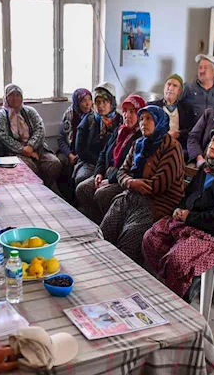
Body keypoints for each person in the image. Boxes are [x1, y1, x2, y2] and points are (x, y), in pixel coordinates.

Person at [143, 127, 214, 303]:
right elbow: (188, 196)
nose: (212, 145)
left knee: (178, 259)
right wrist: (179, 211)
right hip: (196, 225)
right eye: (212, 141)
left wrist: (188, 217)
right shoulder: (207, 168)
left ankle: (180, 296)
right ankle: (178, 283)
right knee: (152, 238)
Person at [101, 106, 185, 263]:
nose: (143, 123)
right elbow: (121, 172)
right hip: (133, 195)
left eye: (149, 119)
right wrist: (131, 182)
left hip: (158, 203)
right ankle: (101, 268)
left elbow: (159, 184)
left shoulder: (171, 147)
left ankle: (124, 276)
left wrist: (135, 184)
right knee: (105, 231)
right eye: (141, 119)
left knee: (129, 241)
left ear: (159, 122)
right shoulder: (138, 144)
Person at [75, 94, 145, 223]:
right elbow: (103, 153)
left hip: (122, 179)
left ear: (140, 115)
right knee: (82, 189)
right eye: (125, 111)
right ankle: (94, 222)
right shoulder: (119, 130)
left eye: (132, 112)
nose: (127, 115)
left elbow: (133, 170)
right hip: (107, 173)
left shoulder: (141, 138)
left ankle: (104, 225)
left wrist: (110, 179)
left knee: (102, 194)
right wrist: (98, 173)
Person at [0, 83, 63, 190]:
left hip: (38, 148)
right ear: (6, 97)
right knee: (28, 167)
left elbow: (40, 129)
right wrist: (23, 150)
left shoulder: (30, 111)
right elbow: (3, 137)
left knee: (54, 163)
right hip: (15, 152)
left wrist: (31, 146)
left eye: (18, 95)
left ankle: (46, 188)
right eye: (11, 95)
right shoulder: (1, 115)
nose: (15, 98)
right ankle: (33, 191)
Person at [74, 83, 123, 189]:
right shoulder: (89, 120)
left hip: (112, 164)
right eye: (97, 102)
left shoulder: (120, 121)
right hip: (89, 163)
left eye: (104, 101)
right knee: (82, 179)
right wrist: (99, 163)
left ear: (112, 102)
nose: (101, 106)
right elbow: (80, 149)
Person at [148, 74, 196, 154]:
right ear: (164, 87)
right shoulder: (152, 106)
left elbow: (192, 129)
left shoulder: (187, 108)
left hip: (178, 145)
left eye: (175, 86)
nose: (170, 88)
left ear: (179, 91)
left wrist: (178, 135)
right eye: (168, 84)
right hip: (156, 144)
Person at [183, 55, 214, 121]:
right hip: (191, 129)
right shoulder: (188, 87)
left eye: (205, 68)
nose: (202, 71)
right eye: (200, 68)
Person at [58, 88, 93, 169]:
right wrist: (70, 155)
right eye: (83, 101)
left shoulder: (94, 116)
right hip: (70, 150)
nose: (88, 104)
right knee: (62, 162)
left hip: (87, 152)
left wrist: (82, 155)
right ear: (77, 102)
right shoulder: (69, 115)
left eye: (89, 100)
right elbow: (61, 139)